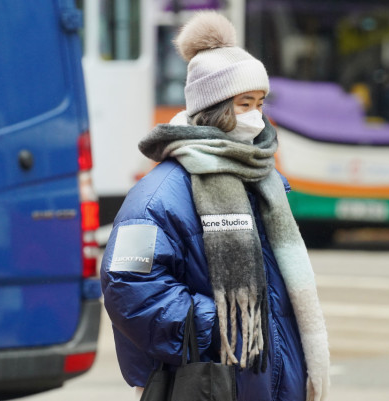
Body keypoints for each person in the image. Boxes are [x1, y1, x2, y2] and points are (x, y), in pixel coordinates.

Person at [100, 11, 330, 401]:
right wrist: (219, 326)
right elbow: (127, 283)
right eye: (244, 103)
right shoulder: (157, 196)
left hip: (275, 383)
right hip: (210, 383)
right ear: (215, 108)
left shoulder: (264, 184)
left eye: (260, 102)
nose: (256, 118)